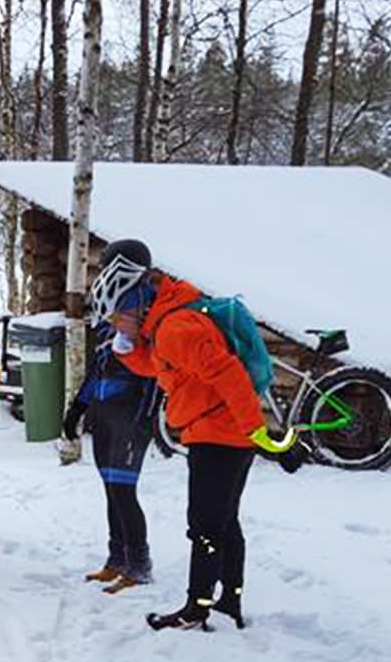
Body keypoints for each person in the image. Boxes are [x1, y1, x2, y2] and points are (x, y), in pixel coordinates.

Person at [85, 243, 296, 631]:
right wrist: (129, 353)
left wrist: (257, 431)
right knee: (224, 520)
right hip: (219, 432)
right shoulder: (166, 323)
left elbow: (230, 376)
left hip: (219, 435)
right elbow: (167, 367)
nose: (116, 326)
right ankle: (229, 599)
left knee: (204, 525)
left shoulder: (175, 329)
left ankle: (196, 610)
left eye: (117, 319)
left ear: (134, 305)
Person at [63, 320, 161, 594]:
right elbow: (95, 376)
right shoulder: (108, 334)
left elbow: (156, 380)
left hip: (131, 423)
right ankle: (117, 560)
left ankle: (139, 565)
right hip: (104, 421)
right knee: (111, 492)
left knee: (123, 492)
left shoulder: (145, 334)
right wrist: (76, 411)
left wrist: (145, 422)